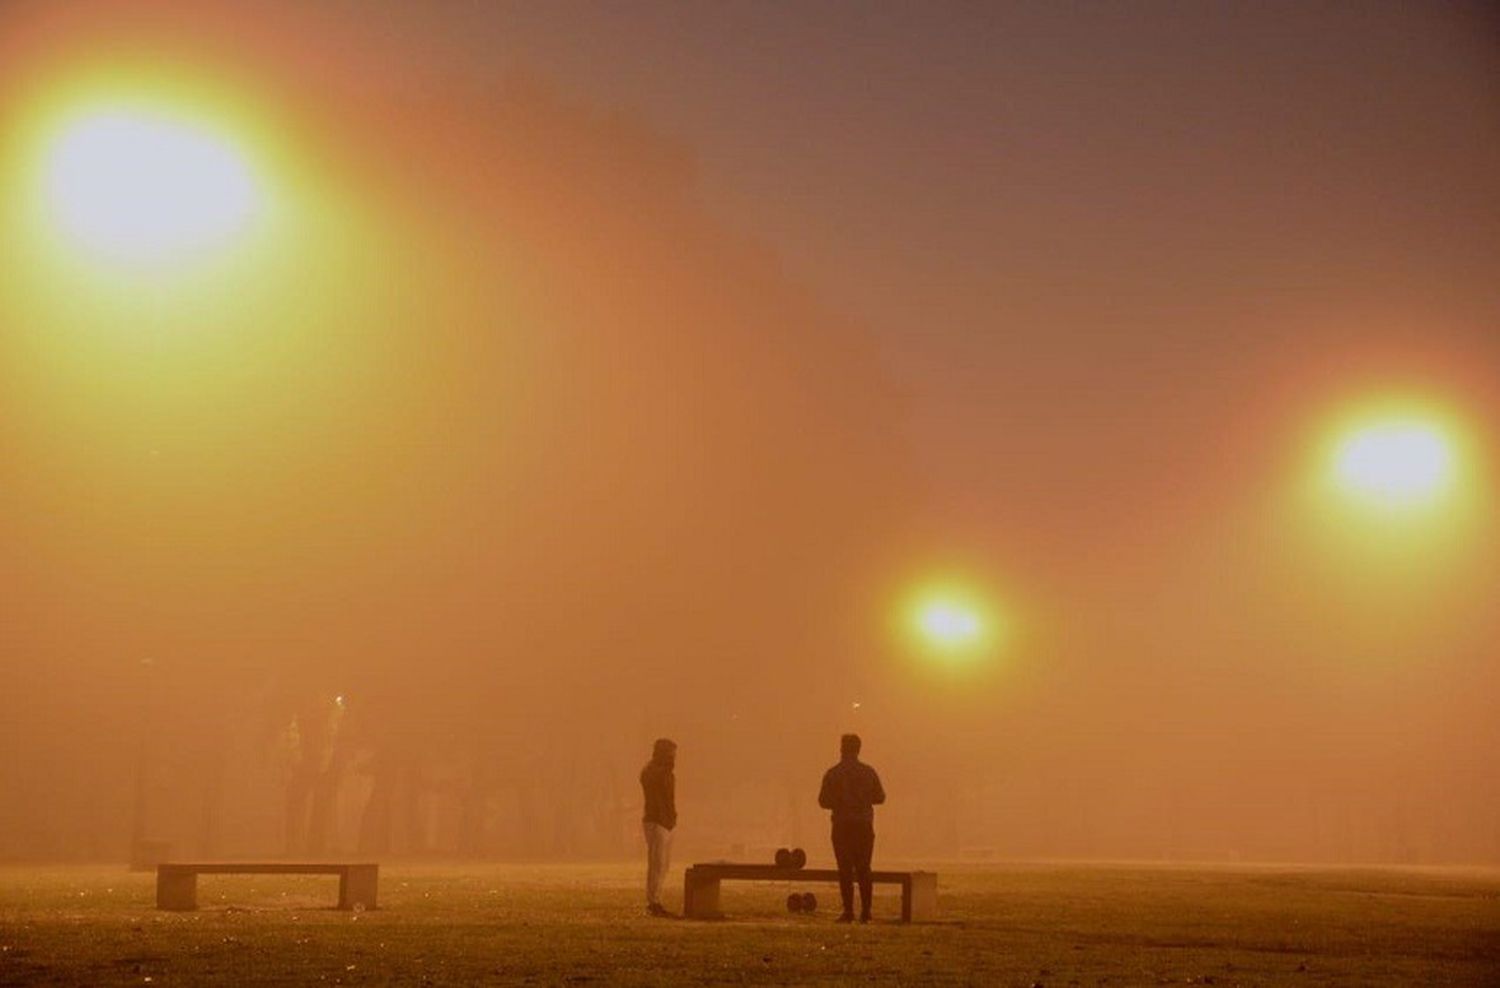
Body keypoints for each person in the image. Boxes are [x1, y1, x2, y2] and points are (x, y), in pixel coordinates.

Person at [817, 733, 885, 923]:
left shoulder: (833, 773)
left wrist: (841, 801)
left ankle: (848, 911)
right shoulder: (868, 772)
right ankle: (866, 911)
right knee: (864, 868)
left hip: (842, 825)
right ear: (859, 749)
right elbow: (880, 797)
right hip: (863, 825)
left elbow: (823, 801)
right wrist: (862, 800)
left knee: (845, 869)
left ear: (841, 748)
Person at [639, 737, 678, 917]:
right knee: (657, 863)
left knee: (664, 864)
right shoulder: (652, 771)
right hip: (656, 821)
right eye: (671, 753)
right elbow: (658, 794)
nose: (673, 757)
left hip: (665, 822)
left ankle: (656, 899)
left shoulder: (664, 772)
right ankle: (653, 901)